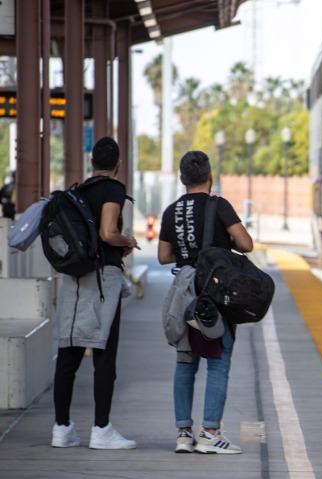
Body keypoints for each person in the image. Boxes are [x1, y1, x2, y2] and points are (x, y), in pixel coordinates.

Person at [157, 150, 253, 454]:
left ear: (182, 179)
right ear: (209, 176)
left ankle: (184, 434)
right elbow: (246, 244)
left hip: (185, 290)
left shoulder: (172, 211)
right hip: (216, 293)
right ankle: (210, 434)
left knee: (185, 361)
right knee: (218, 362)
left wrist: (187, 255)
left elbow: (162, 256)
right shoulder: (219, 206)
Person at [51, 137, 140, 449]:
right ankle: (101, 429)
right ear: (117, 164)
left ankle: (61, 428)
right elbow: (107, 232)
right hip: (103, 277)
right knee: (103, 354)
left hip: (75, 276)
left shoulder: (78, 192)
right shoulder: (113, 188)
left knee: (69, 351)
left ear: (92, 162)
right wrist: (127, 240)